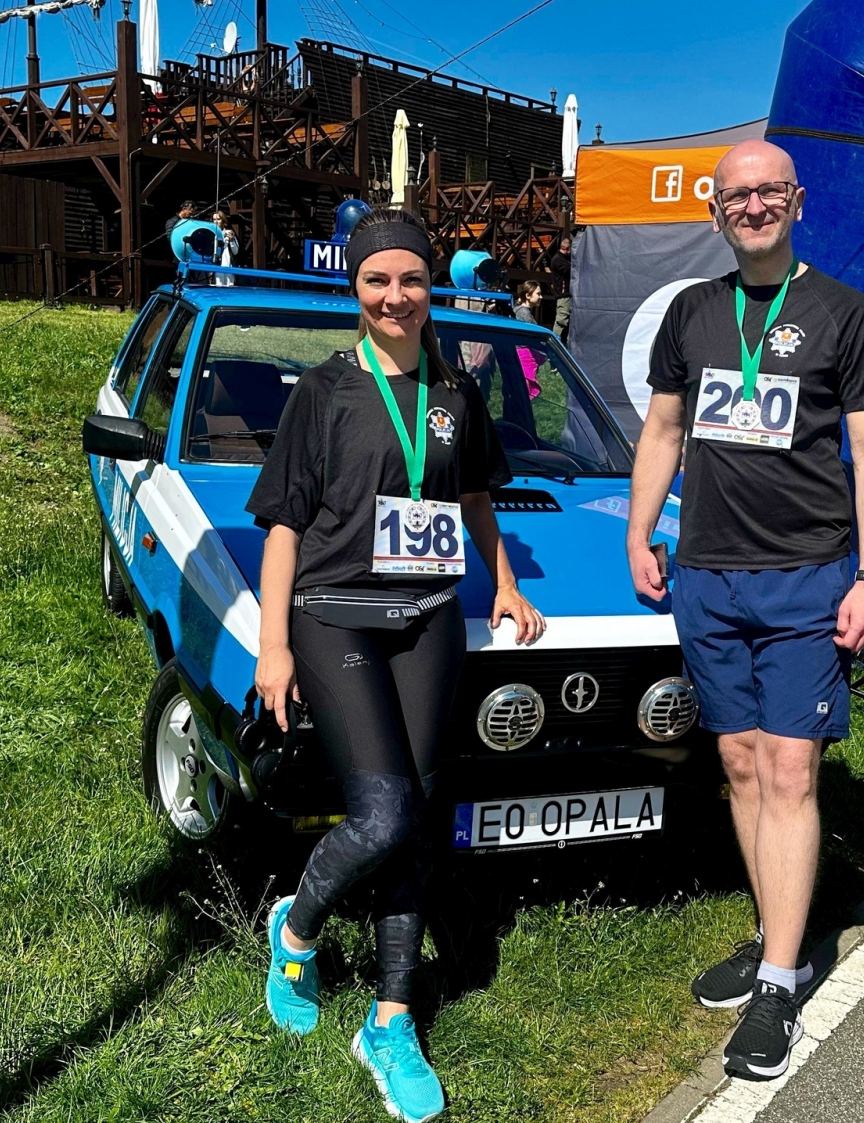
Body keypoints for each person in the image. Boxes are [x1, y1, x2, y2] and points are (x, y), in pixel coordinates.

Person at [246, 208, 545, 1123]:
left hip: (427, 619)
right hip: (334, 615)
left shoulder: (455, 393)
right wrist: (272, 644)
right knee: (380, 812)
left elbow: (475, 496)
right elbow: (285, 524)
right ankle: (297, 929)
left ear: (430, 287)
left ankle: (390, 1019)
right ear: (356, 288)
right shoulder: (326, 390)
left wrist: (505, 585)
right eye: (377, 279)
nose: (395, 295)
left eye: (410, 279)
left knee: (417, 821)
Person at [625, 138, 864, 1081]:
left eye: (769, 192)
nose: (753, 207)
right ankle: (773, 933)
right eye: (736, 196)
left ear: (797, 200)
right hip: (707, 574)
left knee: (789, 770)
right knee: (740, 763)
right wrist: (639, 533)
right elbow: (663, 430)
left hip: (805, 576)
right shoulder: (692, 312)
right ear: (715, 211)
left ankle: (781, 981)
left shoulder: (843, 312)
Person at [511, 280, 545, 398]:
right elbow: (533, 337)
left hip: (519, 354)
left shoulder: (518, 310)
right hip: (524, 356)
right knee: (523, 392)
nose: (541, 297)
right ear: (528, 295)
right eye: (538, 294)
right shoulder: (524, 314)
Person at [549, 234, 573, 339]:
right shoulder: (558, 259)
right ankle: (555, 340)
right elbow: (570, 270)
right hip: (563, 294)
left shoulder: (563, 258)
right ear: (567, 248)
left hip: (567, 293)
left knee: (565, 319)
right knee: (561, 320)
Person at [211, 209, 240, 287]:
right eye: (214, 219)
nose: (216, 222)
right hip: (216, 267)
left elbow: (236, 252)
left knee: (229, 288)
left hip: (229, 267)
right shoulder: (211, 234)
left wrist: (231, 240)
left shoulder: (229, 233)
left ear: (223, 221)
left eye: (218, 219)